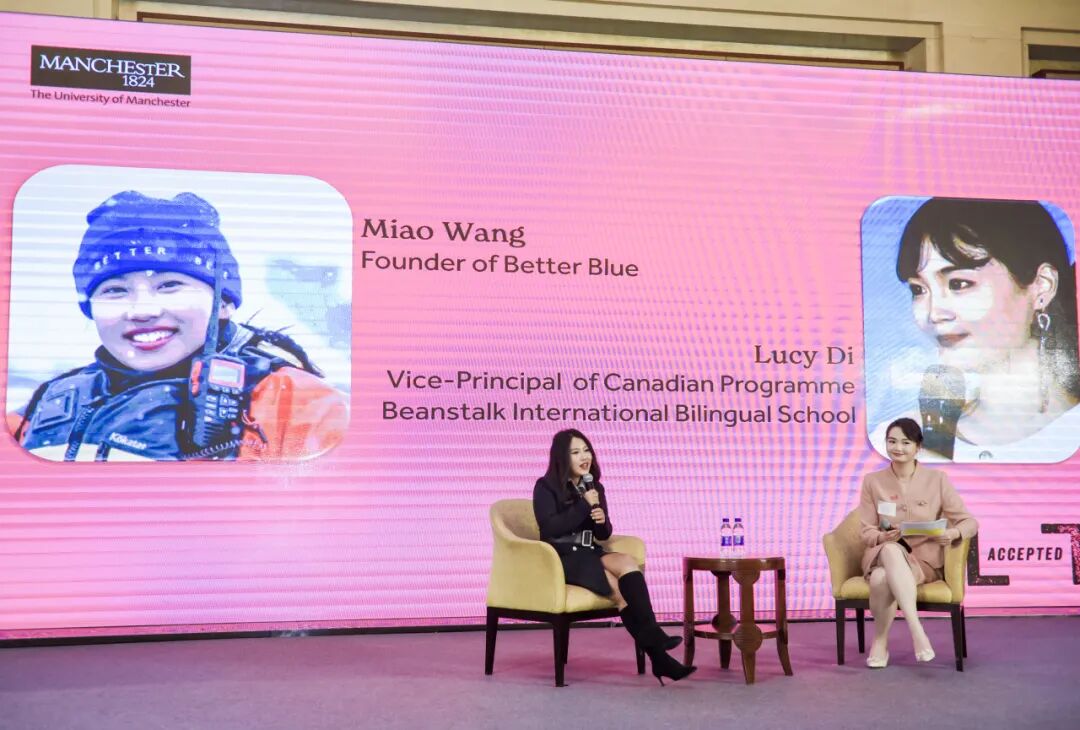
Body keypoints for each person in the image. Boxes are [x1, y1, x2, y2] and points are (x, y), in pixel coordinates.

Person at [8, 190, 348, 461]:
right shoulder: (41, 408)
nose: (142, 310)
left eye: (169, 285)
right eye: (115, 290)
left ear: (223, 303)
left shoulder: (300, 407)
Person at [885, 197, 1080, 462]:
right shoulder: (898, 441)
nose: (933, 314)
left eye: (959, 284)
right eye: (918, 289)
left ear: (1042, 286)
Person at [532, 429, 696, 685]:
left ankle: (654, 638)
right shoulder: (545, 487)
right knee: (620, 594)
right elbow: (550, 528)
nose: (584, 457)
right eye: (575, 452)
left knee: (628, 563)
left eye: (586, 450)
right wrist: (584, 505)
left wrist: (600, 521)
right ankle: (660, 657)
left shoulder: (594, 486)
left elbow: (604, 533)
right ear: (562, 457)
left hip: (588, 552)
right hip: (561, 558)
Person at [857, 417, 978, 668]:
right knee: (891, 549)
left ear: (918, 447)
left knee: (881, 578)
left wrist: (953, 534)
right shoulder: (872, 481)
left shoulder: (938, 479)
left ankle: (880, 642)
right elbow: (865, 531)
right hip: (882, 553)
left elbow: (970, 522)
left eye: (905, 442)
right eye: (892, 441)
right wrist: (881, 537)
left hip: (923, 562)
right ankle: (917, 631)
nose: (897, 448)